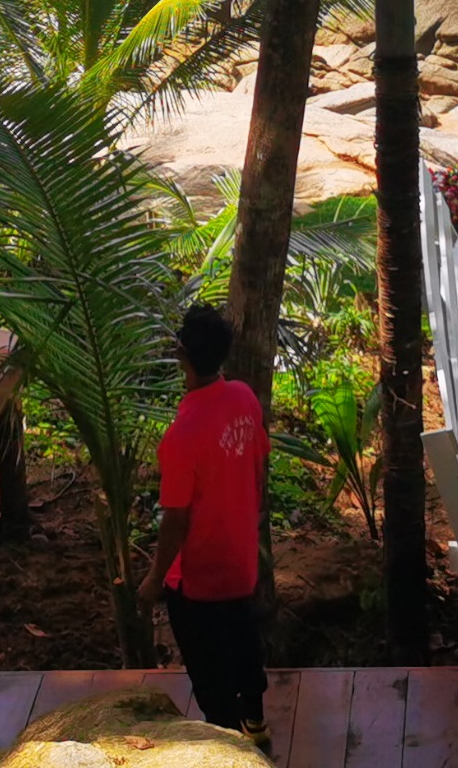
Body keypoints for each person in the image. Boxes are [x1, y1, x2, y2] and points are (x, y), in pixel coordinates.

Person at [140, 302, 269, 748]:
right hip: (241, 559)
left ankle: (232, 748)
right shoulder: (245, 399)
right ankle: (258, 724)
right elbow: (259, 462)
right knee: (243, 639)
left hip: (198, 578)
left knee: (210, 676)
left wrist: (155, 580)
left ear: (182, 354)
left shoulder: (182, 436)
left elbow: (176, 520)